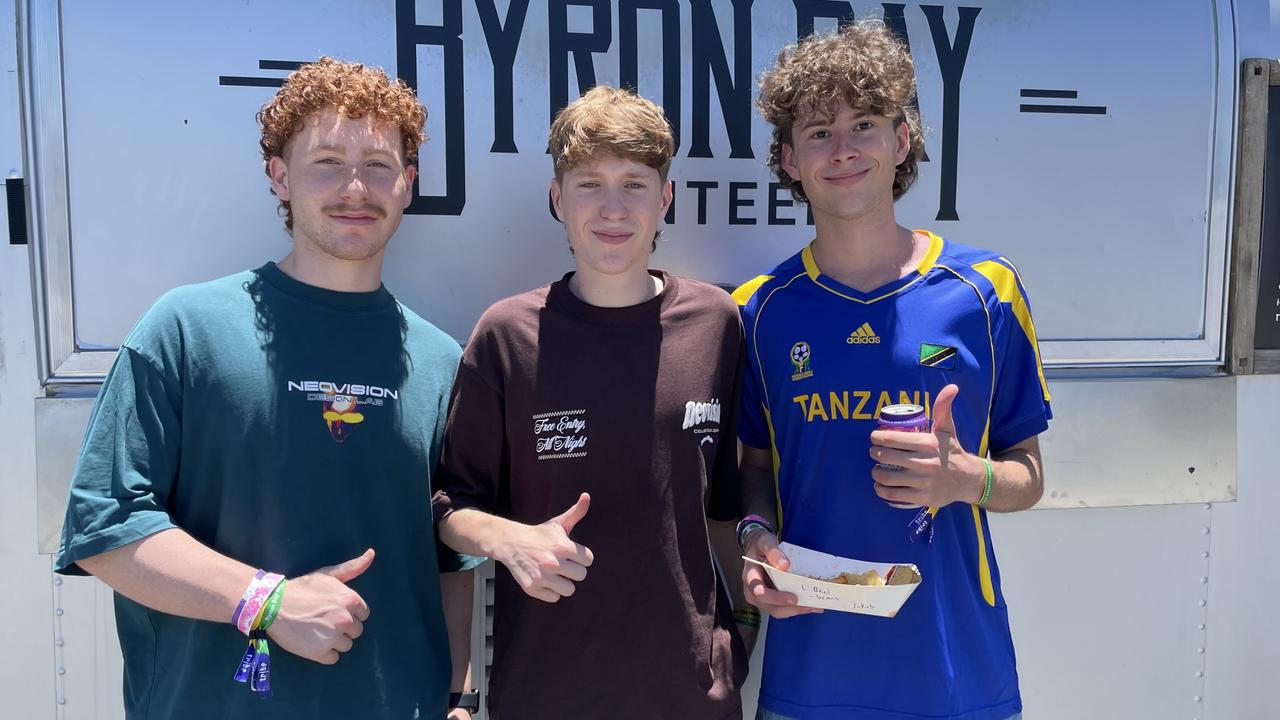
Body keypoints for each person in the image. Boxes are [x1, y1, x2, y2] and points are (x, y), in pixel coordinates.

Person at [55, 58, 477, 719]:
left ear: (408, 184)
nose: (355, 188)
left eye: (378, 165)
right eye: (327, 163)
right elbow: (105, 530)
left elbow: (449, 561)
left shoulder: (441, 360)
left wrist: (459, 696)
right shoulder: (187, 328)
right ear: (280, 177)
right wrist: (266, 600)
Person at [735, 21, 1051, 720]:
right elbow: (752, 467)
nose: (842, 149)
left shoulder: (986, 291)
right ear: (788, 159)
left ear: (901, 141)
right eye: (818, 132)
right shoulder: (760, 311)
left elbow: (1028, 475)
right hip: (810, 686)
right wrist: (753, 540)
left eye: (865, 125)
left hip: (958, 680)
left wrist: (967, 478)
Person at [432, 85, 748, 719]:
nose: (613, 208)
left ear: (664, 199)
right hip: (544, 695)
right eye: (588, 184)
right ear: (557, 198)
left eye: (634, 184)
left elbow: (726, 507)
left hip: (692, 699)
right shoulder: (507, 334)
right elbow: (448, 508)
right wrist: (510, 540)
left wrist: (741, 628)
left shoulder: (717, 322)